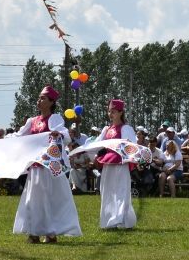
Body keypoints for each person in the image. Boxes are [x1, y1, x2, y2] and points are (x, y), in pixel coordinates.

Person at [9, 86, 80, 243]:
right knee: (33, 199)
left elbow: (66, 136)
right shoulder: (32, 121)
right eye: (39, 97)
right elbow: (19, 136)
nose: (39, 100)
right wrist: (1, 140)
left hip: (49, 168)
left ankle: (50, 233)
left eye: (43, 98)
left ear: (51, 102)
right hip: (35, 166)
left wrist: (59, 134)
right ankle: (34, 232)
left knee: (49, 198)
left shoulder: (54, 119)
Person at [95, 99, 137, 229]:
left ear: (120, 112)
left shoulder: (126, 128)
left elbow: (132, 145)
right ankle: (109, 219)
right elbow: (97, 144)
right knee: (107, 190)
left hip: (121, 163)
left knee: (121, 190)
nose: (110, 114)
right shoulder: (106, 129)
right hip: (108, 163)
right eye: (109, 111)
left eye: (113, 111)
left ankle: (119, 219)